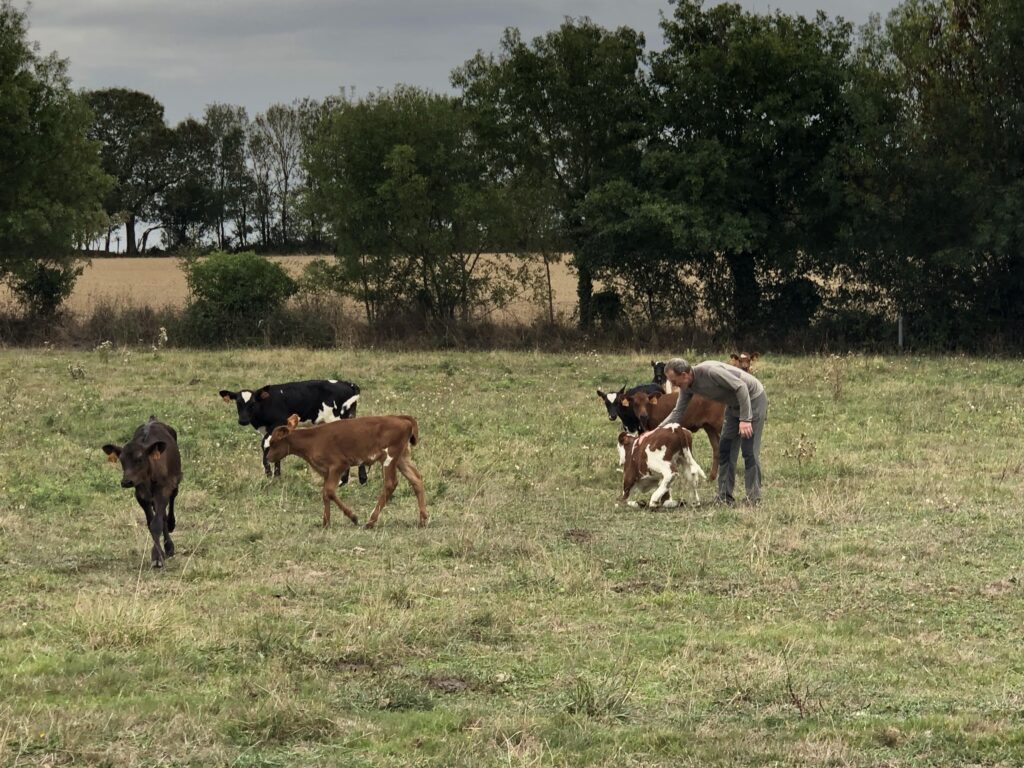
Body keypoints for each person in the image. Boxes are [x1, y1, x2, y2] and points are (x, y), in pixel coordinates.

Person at [638, 357, 768, 505]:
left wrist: (745, 419)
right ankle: (724, 497)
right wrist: (653, 433)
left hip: (753, 399)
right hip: (733, 404)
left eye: (674, 381)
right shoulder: (687, 387)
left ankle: (753, 498)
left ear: (685, 375)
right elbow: (678, 413)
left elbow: (741, 387)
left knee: (749, 450)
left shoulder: (710, 372)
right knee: (725, 448)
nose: (673, 385)